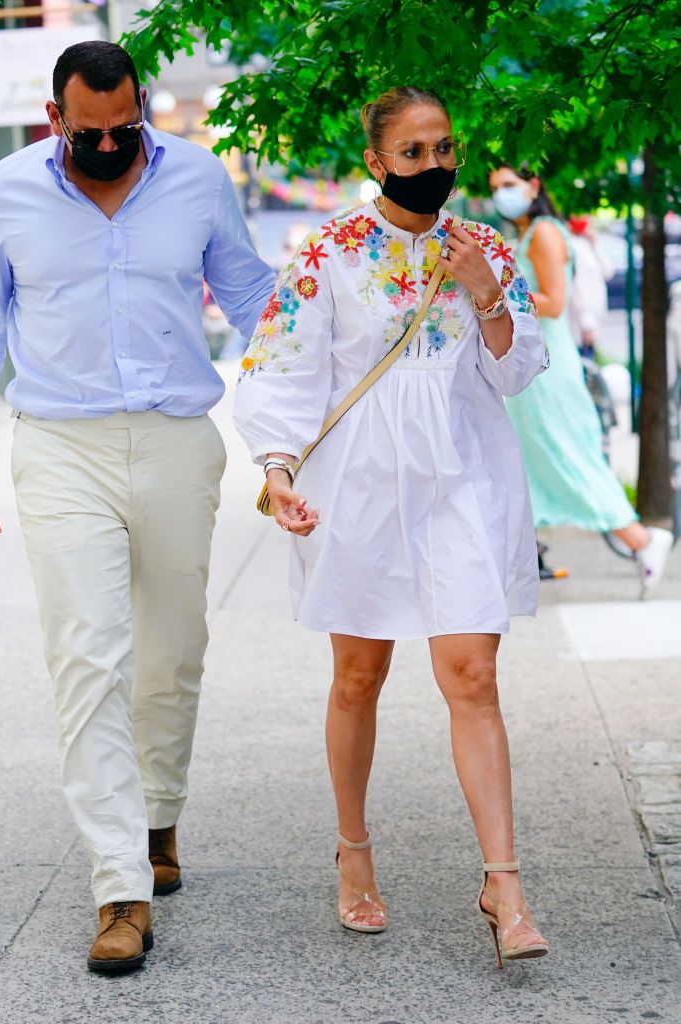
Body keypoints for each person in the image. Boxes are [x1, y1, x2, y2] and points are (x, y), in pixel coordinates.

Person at [0, 41, 275, 973]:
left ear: (142, 109)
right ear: (57, 120)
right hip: (59, 447)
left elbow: (253, 299)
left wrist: (307, 420)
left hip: (174, 440)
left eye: (127, 126)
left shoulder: (199, 180)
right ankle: (119, 886)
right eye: (93, 132)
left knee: (173, 652)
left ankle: (159, 819)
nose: (113, 143)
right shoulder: (9, 192)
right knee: (88, 659)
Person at [233, 86, 550, 967]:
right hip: (362, 487)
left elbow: (520, 371)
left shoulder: (482, 244)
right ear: (376, 162)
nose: (434, 167)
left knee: (473, 674)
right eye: (413, 154)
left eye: (444, 149)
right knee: (357, 677)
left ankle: (504, 884)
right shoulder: (329, 250)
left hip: (461, 478)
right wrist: (278, 469)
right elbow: (279, 367)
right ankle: (353, 852)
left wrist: (488, 293)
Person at [489, 165, 672, 594]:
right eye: (495, 187)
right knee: (528, 463)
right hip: (529, 363)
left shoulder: (545, 234)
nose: (502, 194)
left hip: (546, 367)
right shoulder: (526, 234)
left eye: (509, 186)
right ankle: (513, 564)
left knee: (568, 458)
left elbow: (553, 302)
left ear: (534, 186)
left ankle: (642, 540)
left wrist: (491, 291)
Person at [567, 215, 614, 360]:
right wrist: (586, 323)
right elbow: (578, 288)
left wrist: (595, 245)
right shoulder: (573, 247)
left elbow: (608, 271)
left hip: (591, 320)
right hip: (582, 324)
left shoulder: (589, 245)